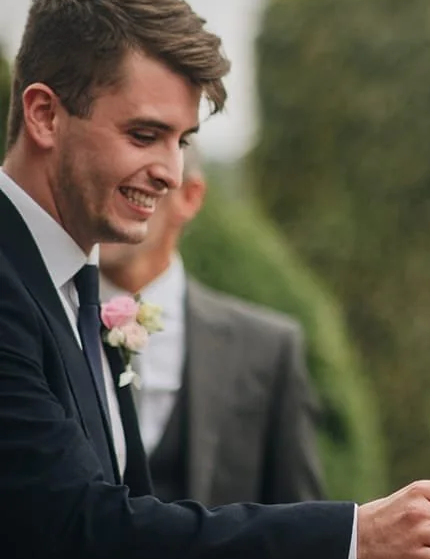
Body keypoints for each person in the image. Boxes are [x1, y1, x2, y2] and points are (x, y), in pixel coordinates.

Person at [0, 0, 430, 559]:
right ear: (45, 114)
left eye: (183, 141)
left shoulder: (77, 285)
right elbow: (82, 531)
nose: (170, 173)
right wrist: (354, 536)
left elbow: (127, 542)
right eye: (144, 135)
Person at [99, 147, 327, 511]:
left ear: (189, 197)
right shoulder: (39, 321)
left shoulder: (267, 349)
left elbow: (300, 519)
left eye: (133, 190)